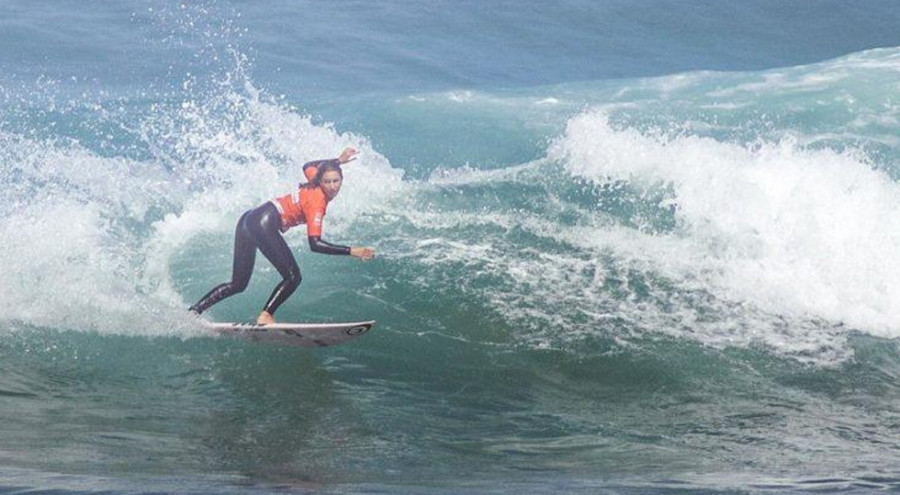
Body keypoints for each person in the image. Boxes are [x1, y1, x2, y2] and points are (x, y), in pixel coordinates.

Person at [189, 147, 375, 325]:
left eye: (336, 181)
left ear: (341, 179)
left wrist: (338, 161)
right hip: (263, 223)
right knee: (293, 277)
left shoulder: (315, 178)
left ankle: (194, 312)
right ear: (321, 181)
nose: (332, 186)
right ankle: (266, 315)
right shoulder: (317, 203)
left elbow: (308, 165)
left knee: (238, 284)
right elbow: (315, 244)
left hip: (248, 219)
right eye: (328, 182)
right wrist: (352, 251)